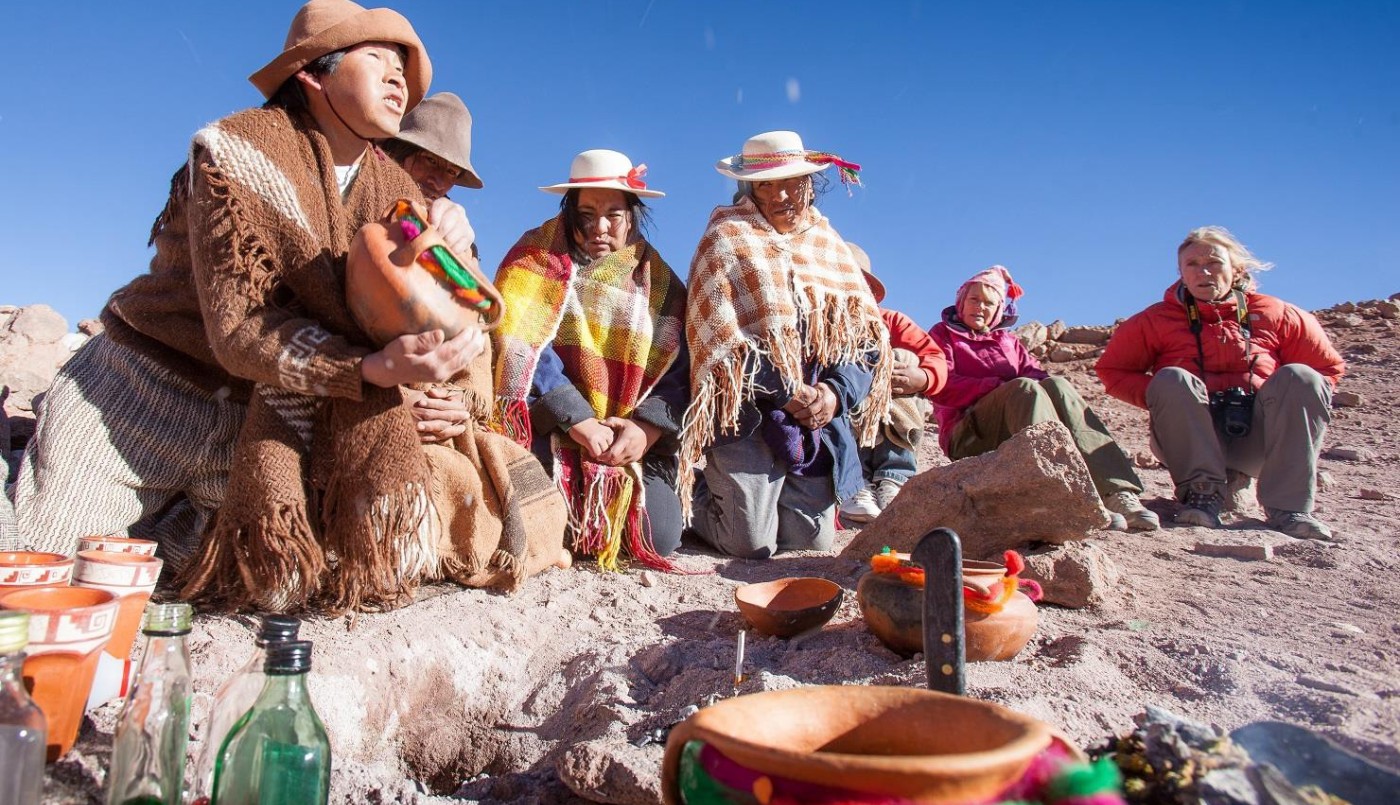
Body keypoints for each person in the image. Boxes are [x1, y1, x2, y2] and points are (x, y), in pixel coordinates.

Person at [9, 0, 566, 612]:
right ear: (312, 73)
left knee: (272, 581)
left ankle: (167, 528)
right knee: (41, 572)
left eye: (403, 67)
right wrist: (370, 371)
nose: (397, 78)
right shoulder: (238, 153)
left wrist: (456, 260)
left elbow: (468, 311)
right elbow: (240, 330)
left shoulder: (397, 197)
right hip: (141, 394)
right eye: (376, 57)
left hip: (256, 416)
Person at [681, 130, 891, 559]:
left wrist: (834, 393)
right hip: (749, 411)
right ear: (749, 189)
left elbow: (865, 341)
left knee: (809, 540)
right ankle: (691, 495)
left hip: (816, 416)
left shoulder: (831, 248)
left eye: (791, 183)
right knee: (749, 542)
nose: (779, 196)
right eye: (765, 185)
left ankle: (763, 497)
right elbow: (722, 344)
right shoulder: (725, 239)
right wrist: (784, 389)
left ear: (810, 184)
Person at [492, 150, 688, 570]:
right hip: (552, 426)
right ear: (569, 214)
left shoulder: (663, 284)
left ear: (631, 216)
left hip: (626, 436)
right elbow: (520, 342)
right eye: (586, 215)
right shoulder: (533, 260)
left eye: (613, 215)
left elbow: (677, 370)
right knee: (532, 520)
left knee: (660, 535)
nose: (600, 228)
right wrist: (576, 418)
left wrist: (646, 428)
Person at [1096, 226, 1344, 539]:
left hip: (1261, 440)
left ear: (1236, 269)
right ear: (1181, 273)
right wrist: (1168, 398)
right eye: (1192, 264)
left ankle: (1290, 509)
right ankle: (1201, 497)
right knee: (1172, 378)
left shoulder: (1278, 313)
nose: (1203, 272)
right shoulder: (1155, 320)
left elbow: (1326, 368)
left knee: (1302, 376)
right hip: (1188, 441)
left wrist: (1276, 404)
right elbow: (1113, 370)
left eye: (1214, 262)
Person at [930, 266, 1159, 531]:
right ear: (961, 302)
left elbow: (1037, 375)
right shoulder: (943, 334)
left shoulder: (1008, 342)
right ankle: (1064, 492)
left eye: (989, 303)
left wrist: (1022, 387)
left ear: (999, 309)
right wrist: (998, 386)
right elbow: (941, 385)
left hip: (1015, 426)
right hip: (968, 435)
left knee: (1058, 385)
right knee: (1024, 388)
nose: (980, 307)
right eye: (974, 299)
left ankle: (1116, 491)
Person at [839, 244, 947, 523]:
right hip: (847, 411)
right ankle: (856, 482)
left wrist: (922, 378)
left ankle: (894, 477)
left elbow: (935, 358)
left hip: (889, 406)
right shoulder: (820, 325)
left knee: (902, 358)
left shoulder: (892, 321)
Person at [381, 91, 483, 202]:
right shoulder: (370, 184)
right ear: (398, 153)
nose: (439, 184)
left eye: (452, 172)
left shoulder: (441, 211)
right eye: (431, 160)